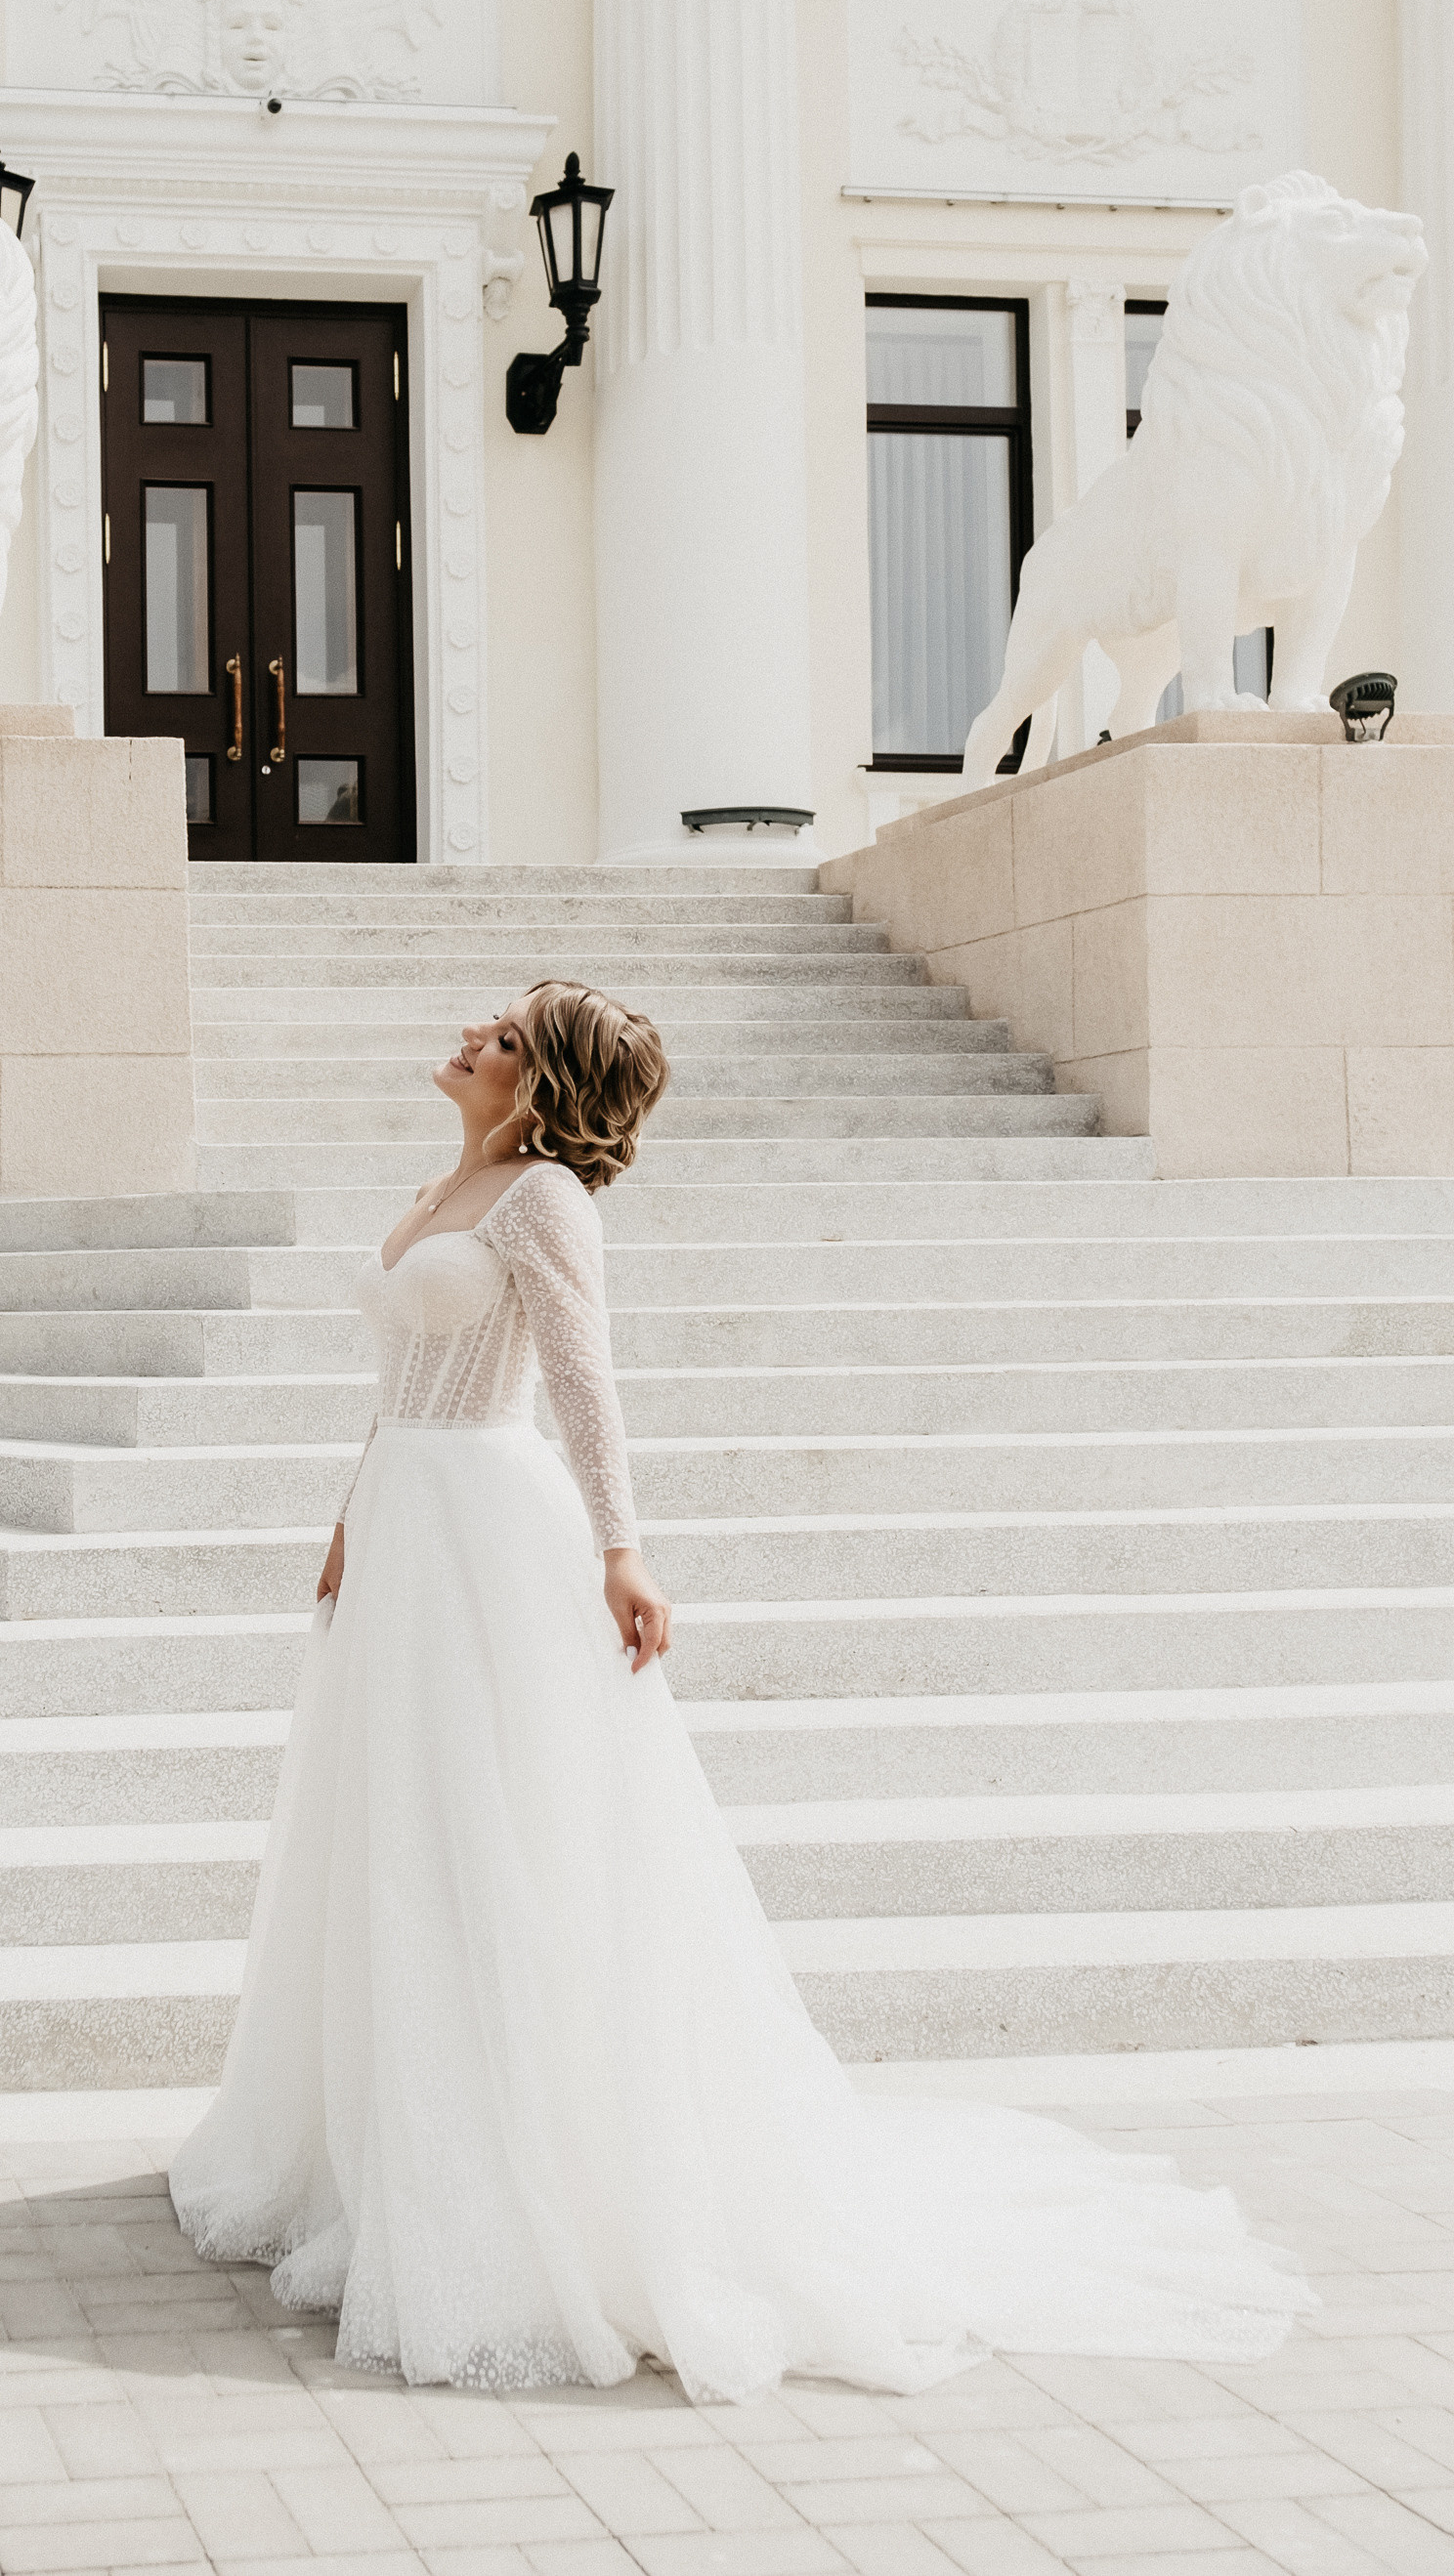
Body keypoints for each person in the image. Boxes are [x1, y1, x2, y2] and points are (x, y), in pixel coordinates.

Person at [170, 978, 1310, 2401]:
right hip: (407, 1521)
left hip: (490, 1535)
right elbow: (404, 1374)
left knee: (500, 1841)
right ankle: (387, 2149)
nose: (472, 1035)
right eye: (486, 1024)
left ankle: (522, 2184)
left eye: (507, 1036)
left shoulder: (543, 1205)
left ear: (544, 1086)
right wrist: (352, 1507)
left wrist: (622, 1549)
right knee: (392, 1840)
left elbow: (584, 1385)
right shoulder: (444, 1180)